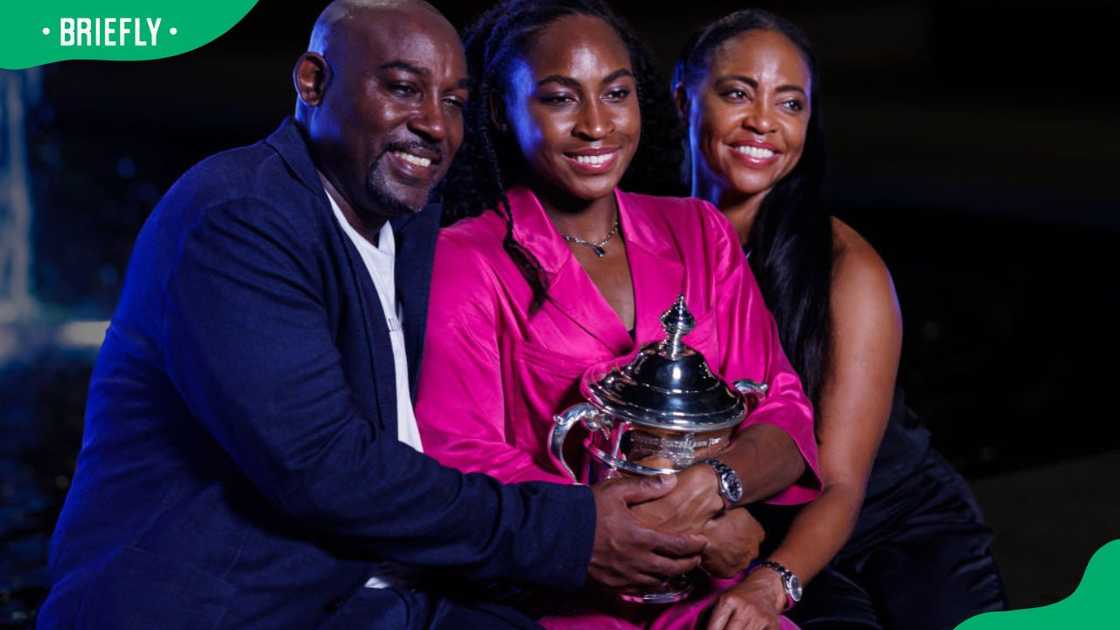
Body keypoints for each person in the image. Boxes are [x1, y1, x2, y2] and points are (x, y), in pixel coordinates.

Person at [37, 2, 713, 628]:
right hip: (231, 604)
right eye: (403, 89)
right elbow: (323, 467)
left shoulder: (404, 217)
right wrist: (570, 528)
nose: (434, 124)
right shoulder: (238, 219)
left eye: (453, 102)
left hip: (384, 587)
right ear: (312, 83)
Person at [414, 1, 821, 628]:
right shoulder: (464, 259)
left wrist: (717, 486)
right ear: (498, 110)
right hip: (554, 601)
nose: (597, 125)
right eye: (560, 98)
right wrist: (683, 533)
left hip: (710, 597)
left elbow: (782, 408)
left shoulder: (699, 231)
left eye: (616, 93)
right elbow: (461, 457)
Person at [674, 10, 1008, 630]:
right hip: (760, 533)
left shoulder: (847, 268)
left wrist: (768, 587)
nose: (764, 122)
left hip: (898, 527)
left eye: (790, 104)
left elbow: (841, 483)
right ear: (683, 100)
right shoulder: (647, 244)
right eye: (738, 93)